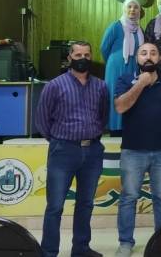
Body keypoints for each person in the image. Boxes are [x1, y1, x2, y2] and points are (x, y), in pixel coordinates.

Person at [113, 43, 161, 257]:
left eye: (153, 53)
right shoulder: (125, 80)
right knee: (128, 198)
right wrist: (141, 84)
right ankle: (125, 242)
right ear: (137, 58)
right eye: (143, 53)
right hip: (132, 152)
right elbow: (120, 107)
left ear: (159, 58)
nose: (148, 57)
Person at [35, 41, 109, 257]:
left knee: (85, 204)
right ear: (69, 58)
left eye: (86, 54)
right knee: (55, 206)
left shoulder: (101, 86)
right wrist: (58, 141)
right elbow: (42, 119)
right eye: (78, 55)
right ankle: (49, 252)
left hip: (92, 151)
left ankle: (81, 248)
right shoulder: (54, 86)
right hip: (63, 151)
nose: (82, 59)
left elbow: (103, 116)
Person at [101, 0, 144, 132]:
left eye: (136, 7)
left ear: (139, 11)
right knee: (115, 94)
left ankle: (128, 125)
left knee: (131, 93)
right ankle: (114, 127)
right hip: (116, 68)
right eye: (129, 7)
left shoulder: (139, 29)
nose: (132, 10)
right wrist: (113, 61)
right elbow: (104, 48)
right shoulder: (116, 26)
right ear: (124, 9)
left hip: (133, 66)